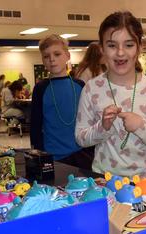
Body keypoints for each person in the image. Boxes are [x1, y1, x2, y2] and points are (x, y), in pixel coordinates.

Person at [75, 11, 146, 182]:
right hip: (105, 179)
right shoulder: (91, 89)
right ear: (102, 48)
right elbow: (81, 138)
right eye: (112, 45)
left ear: (139, 47)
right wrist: (102, 127)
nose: (120, 53)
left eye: (128, 45)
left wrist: (141, 126)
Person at [30, 34, 93, 169]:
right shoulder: (41, 88)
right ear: (42, 60)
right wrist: (38, 152)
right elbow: (35, 124)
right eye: (46, 56)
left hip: (81, 153)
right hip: (53, 156)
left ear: (68, 56)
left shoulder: (80, 85)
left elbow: (88, 119)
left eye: (57, 54)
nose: (52, 59)